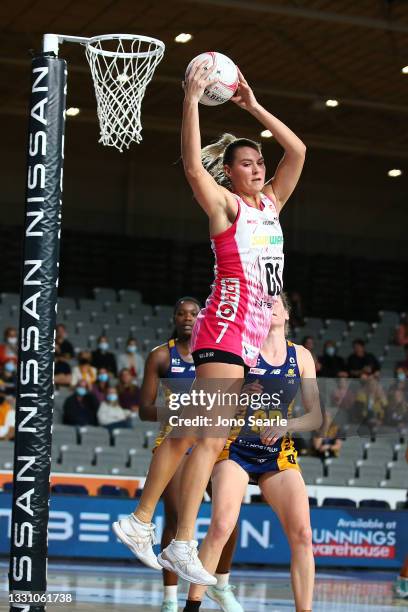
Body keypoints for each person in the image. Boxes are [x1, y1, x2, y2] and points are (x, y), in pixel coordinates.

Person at [113, 62, 306, 584]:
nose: (258, 167)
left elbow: (300, 151)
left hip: (248, 330)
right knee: (201, 430)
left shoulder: (271, 205)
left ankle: (156, 529)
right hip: (225, 320)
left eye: (259, 160)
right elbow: (195, 171)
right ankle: (150, 526)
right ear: (231, 173)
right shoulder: (225, 206)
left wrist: (252, 106)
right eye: (245, 163)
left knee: (202, 432)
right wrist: (192, 99)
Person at [183, 294, 321, 612]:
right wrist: (239, 392)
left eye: (275, 303)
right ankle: (192, 606)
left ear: (287, 313)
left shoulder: (301, 356)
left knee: (303, 533)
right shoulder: (241, 349)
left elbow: (315, 417)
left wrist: (287, 423)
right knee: (221, 526)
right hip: (235, 446)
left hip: (276, 452)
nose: (268, 306)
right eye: (262, 303)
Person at [136, 297, 242, 612]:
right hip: (177, 441)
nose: (187, 318)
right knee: (176, 515)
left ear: (203, 319)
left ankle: (221, 586)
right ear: (173, 317)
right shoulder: (160, 356)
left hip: (213, 441)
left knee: (229, 518)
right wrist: (182, 411)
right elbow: (144, 409)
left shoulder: (215, 355)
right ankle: (170, 599)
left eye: (194, 313)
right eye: (181, 313)